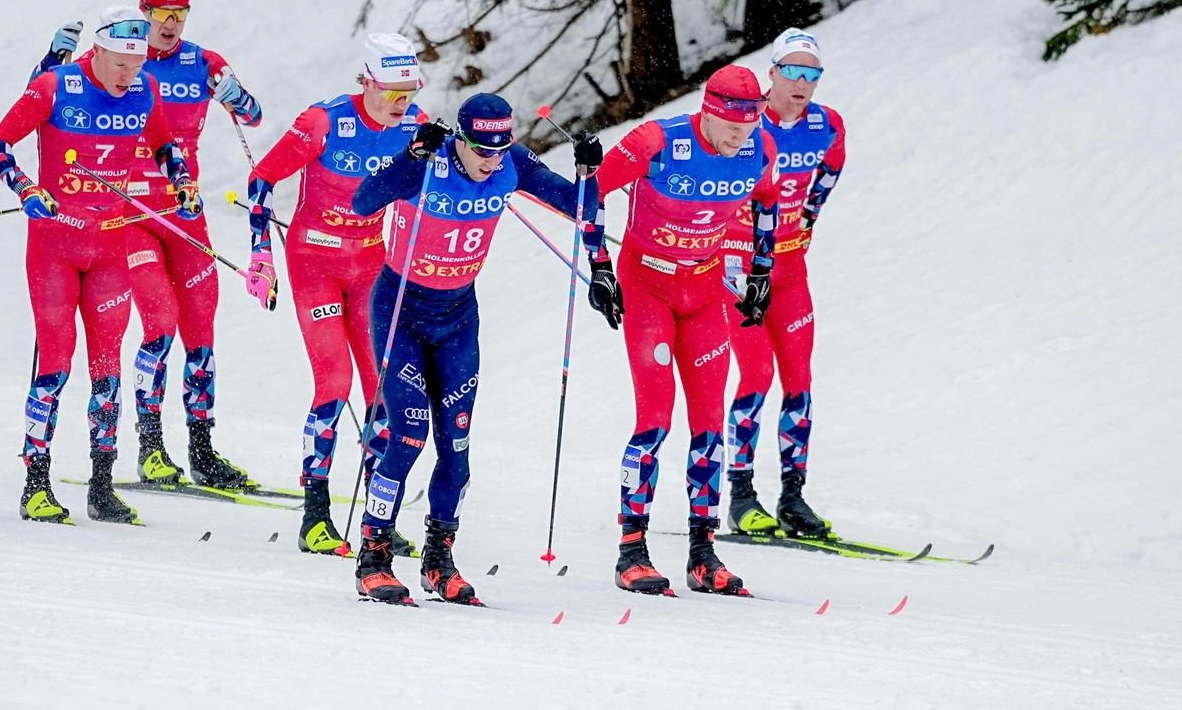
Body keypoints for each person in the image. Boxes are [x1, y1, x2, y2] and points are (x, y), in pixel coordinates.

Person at [346, 92, 612, 605]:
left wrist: (587, 171)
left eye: (501, 149)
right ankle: (374, 556)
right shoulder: (429, 158)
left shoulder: (510, 163)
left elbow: (583, 208)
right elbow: (364, 201)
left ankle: (438, 561)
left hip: (457, 317)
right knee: (407, 435)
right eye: (482, 151)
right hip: (401, 308)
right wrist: (411, 157)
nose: (492, 161)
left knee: (458, 448)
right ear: (460, 140)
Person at [38, 0, 264, 490]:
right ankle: (151, 446)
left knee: (201, 327)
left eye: (179, 14)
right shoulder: (117, 63)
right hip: (129, 214)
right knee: (160, 321)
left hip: (183, 212)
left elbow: (252, 115)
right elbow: (49, 94)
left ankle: (203, 449)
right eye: (160, 14)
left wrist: (234, 92)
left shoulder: (202, 62)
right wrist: (51, 57)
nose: (170, 24)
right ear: (142, 13)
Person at [0, 6, 192, 525]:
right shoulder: (55, 87)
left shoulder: (145, 92)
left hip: (109, 247)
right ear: (96, 51)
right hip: (55, 247)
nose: (130, 74)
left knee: (107, 369)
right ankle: (35, 483)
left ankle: (102, 485)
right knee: (55, 365)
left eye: (138, 62)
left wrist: (182, 182)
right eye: (120, 62)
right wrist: (26, 189)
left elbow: (168, 148)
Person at [594, 64, 781, 596]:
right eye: (732, 127)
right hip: (647, 286)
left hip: (703, 294)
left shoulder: (757, 147)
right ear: (710, 111)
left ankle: (703, 552)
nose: (739, 138)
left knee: (708, 425)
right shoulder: (658, 139)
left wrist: (762, 271)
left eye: (750, 126)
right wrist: (600, 266)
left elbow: (768, 201)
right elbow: (591, 193)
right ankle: (632, 550)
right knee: (654, 418)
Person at [242, 33, 426, 557]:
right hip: (314, 261)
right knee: (335, 380)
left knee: (382, 389)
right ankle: (316, 518)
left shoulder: (415, 126)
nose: (401, 102)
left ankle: (378, 522)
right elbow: (261, 181)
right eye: (391, 91)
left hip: (371, 264)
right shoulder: (322, 122)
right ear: (366, 82)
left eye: (408, 91)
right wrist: (261, 254)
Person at [722, 29, 847, 538]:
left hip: (791, 269)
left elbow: (832, 169)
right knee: (756, 375)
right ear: (771, 73)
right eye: (791, 71)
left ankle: (793, 497)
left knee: (799, 379)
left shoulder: (825, 124)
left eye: (811, 73)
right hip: (737, 269)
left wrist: (809, 218)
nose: (801, 82)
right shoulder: (748, 125)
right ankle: (740, 494)